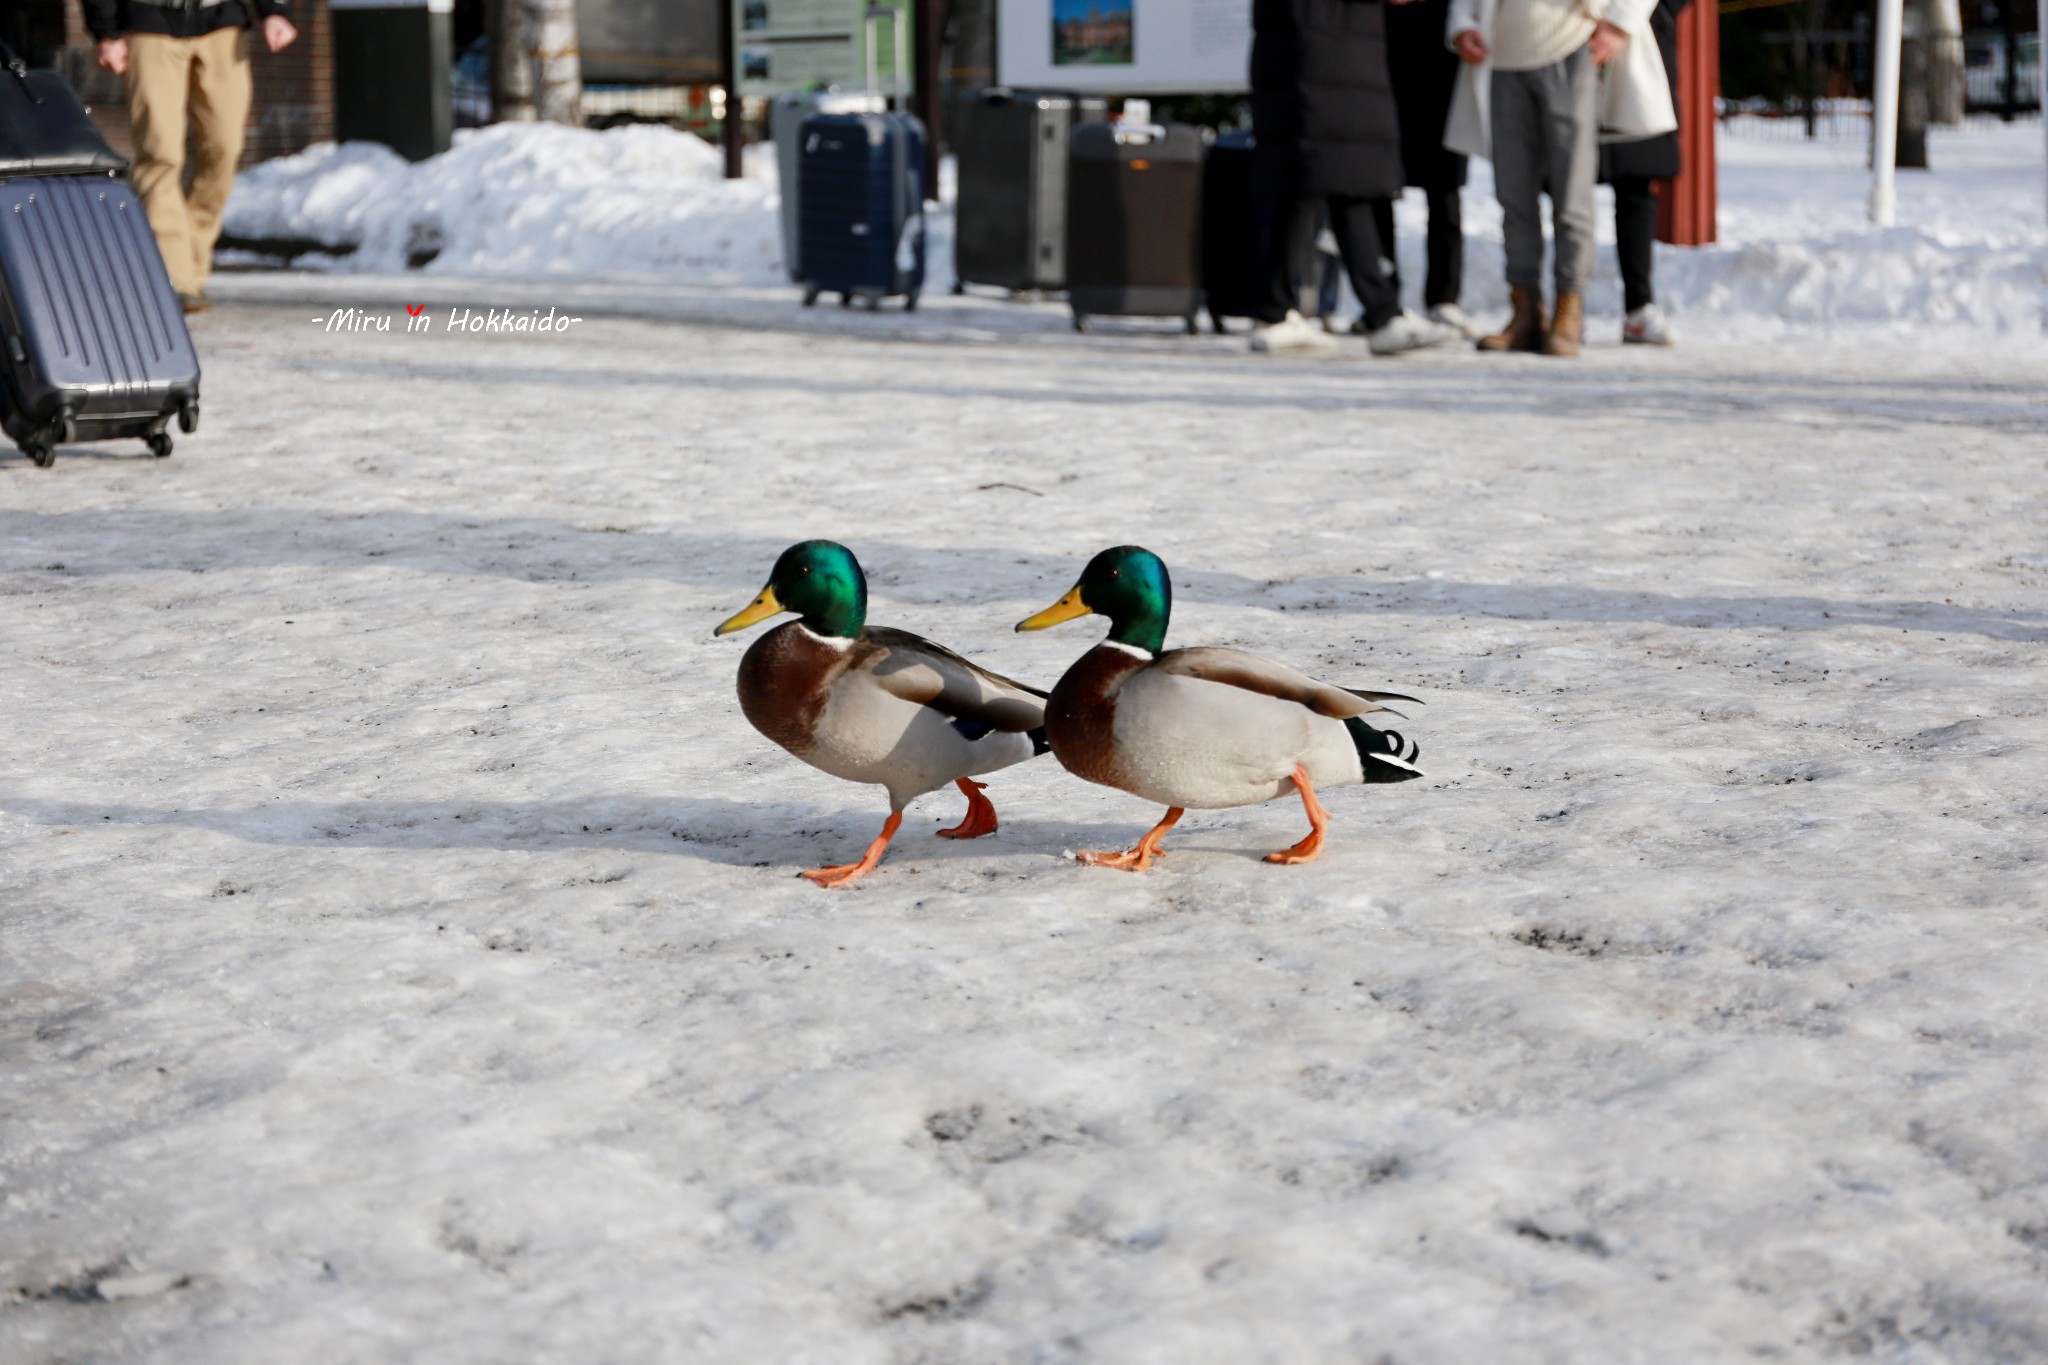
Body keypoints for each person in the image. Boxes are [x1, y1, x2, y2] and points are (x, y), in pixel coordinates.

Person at [1443, 0, 1673, 356]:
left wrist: (1620, 22)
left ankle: (1569, 310)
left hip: (1573, 44)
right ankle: (1525, 312)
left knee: (1572, 195)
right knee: (1513, 194)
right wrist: (1462, 23)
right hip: (1502, 50)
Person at [1247, 0, 1459, 357]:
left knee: (1304, 182)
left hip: (1307, 49)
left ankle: (1276, 310)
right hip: (1330, 53)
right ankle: (1381, 315)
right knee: (1343, 178)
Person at [88, 0, 298, 314]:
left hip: (222, 22)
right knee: (160, 154)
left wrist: (275, 10)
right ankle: (177, 276)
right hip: (149, 23)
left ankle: (194, 258)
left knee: (224, 148)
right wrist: (106, 31)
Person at [1601, 0, 1689, 346]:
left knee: (1637, 176)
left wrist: (1652, 12)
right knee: (1563, 183)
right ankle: (1566, 305)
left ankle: (1639, 307)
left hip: (1643, 37)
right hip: (1568, 32)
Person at [1384, 0, 1473, 336]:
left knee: (1446, 186)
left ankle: (1444, 298)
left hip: (1443, 57)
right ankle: (1384, 297)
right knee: (1380, 185)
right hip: (1384, 51)